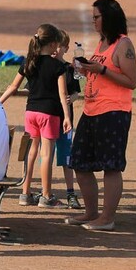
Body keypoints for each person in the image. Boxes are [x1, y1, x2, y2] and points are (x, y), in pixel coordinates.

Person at [67, 0, 136, 231]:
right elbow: (98, 75)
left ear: (108, 17)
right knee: (80, 161)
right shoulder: (102, 43)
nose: (93, 21)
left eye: (96, 17)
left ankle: (107, 218)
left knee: (111, 165)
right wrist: (85, 70)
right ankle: (91, 213)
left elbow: (132, 81)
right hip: (91, 110)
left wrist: (103, 69)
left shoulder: (123, 44)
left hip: (114, 111)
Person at [0, 24, 72, 208]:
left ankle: (25, 193)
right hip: (49, 113)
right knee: (46, 154)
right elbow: (63, 95)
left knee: (32, 151)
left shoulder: (29, 62)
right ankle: (46, 196)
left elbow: (13, 87)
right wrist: (67, 117)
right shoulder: (58, 66)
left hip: (30, 112)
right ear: (54, 44)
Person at [55, 29, 83, 209]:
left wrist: (71, 98)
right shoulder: (46, 66)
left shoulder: (68, 69)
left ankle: (70, 192)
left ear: (65, 48)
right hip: (49, 117)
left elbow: (76, 92)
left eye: (58, 46)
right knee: (46, 156)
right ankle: (45, 191)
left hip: (66, 120)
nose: (55, 49)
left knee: (66, 157)